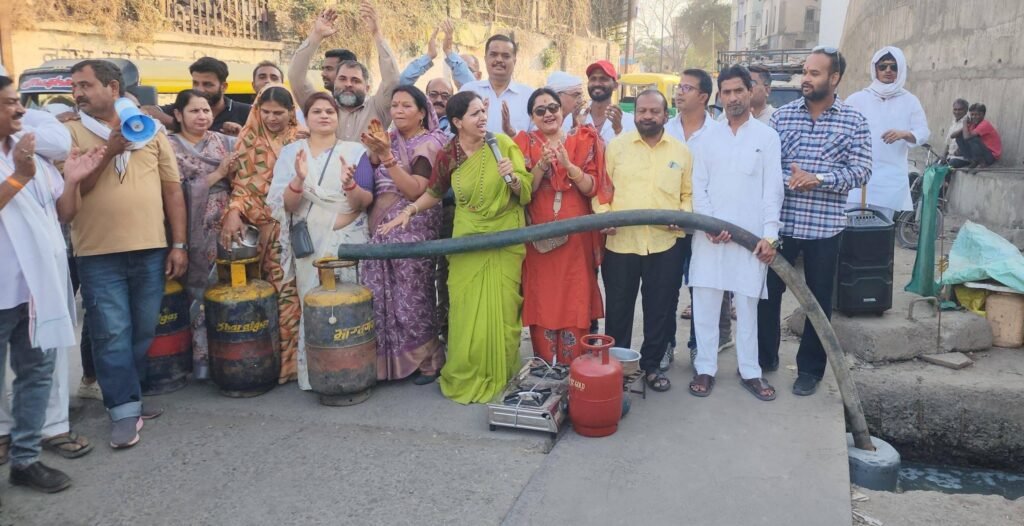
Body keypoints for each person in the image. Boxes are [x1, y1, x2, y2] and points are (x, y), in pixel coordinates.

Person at [378, 91, 532, 404]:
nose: (482, 119)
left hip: (502, 237)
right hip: (466, 238)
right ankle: (467, 370)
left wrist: (513, 179)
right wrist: (410, 210)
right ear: (458, 122)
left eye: (482, 112)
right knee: (463, 308)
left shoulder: (502, 145)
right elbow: (435, 192)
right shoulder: (450, 153)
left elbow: (525, 191)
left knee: (501, 310)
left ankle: (500, 373)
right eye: (474, 114)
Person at [65, 59, 188, 448]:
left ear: (113, 88)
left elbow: (172, 190)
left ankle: (128, 397)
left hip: (150, 248)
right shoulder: (67, 133)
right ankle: (121, 410)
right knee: (111, 333)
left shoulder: (151, 133)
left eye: (85, 85)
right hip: (98, 254)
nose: (78, 93)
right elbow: (74, 195)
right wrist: (109, 150)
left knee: (143, 329)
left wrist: (179, 244)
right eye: (75, 87)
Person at [0, 72, 105, 493]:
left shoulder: (33, 155)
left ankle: (25, 460)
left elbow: (63, 214)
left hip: (36, 292)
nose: (20, 109)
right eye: (9, 103)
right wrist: (18, 176)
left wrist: (75, 180)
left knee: (36, 376)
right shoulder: (25, 162)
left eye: (17, 101)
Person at [760, 47, 872, 396]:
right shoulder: (782, 117)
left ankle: (809, 370)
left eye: (814, 73)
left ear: (834, 78)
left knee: (817, 302)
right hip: (782, 226)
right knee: (767, 295)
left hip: (824, 229)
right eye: (805, 72)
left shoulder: (854, 121)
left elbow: (862, 170)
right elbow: (767, 166)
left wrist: (818, 178)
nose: (805, 79)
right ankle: (765, 360)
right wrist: (791, 178)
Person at [688, 66, 783, 401]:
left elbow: (773, 191)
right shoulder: (706, 137)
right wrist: (709, 225)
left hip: (750, 238)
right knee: (706, 304)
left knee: (747, 306)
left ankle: (750, 371)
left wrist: (770, 236)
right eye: (725, 92)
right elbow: (699, 187)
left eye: (738, 91)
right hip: (710, 237)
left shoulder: (767, 138)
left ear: (750, 91)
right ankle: (705, 368)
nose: (732, 98)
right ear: (720, 96)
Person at [268, 91, 373, 390]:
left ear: (338, 118)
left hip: (346, 238)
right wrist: (299, 180)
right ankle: (316, 375)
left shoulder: (354, 152)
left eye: (330, 111)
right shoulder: (291, 154)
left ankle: (353, 370)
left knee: (347, 300)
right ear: (306, 117)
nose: (325, 116)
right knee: (313, 303)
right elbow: (285, 205)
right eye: (317, 111)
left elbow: (363, 201)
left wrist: (349, 184)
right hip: (309, 242)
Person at [596, 90, 693, 393]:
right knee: (619, 311)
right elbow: (602, 190)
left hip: (665, 244)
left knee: (659, 310)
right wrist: (604, 216)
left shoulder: (681, 152)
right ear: (633, 114)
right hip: (621, 243)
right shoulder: (616, 147)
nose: (647, 116)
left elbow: (687, 196)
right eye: (642, 111)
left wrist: (683, 215)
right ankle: (617, 370)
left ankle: (651, 367)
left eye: (654, 111)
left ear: (666, 115)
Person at [514, 88, 612, 365]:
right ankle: (545, 364)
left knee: (575, 293)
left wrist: (569, 166)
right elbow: (523, 193)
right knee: (542, 295)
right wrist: (542, 167)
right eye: (540, 110)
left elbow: (593, 188)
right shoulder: (523, 143)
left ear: (562, 110)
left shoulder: (583, 139)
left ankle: (573, 365)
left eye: (553, 107)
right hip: (538, 236)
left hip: (576, 233)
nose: (548, 114)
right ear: (532, 116)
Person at [359, 86, 449, 383]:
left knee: (413, 296)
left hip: (415, 226)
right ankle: (391, 365)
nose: (397, 110)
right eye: (394, 105)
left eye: (406, 106)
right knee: (382, 294)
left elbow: (415, 190)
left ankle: (428, 359)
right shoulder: (388, 139)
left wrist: (386, 157)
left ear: (422, 112)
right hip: (381, 227)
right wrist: (375, 154)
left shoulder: (431, 144)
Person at [221, 86, 301, 384]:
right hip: (264, 230)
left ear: (290, 112)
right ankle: (270, 363)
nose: (271, 118)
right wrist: (233, 212)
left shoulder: (300, 138)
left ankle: (294, 364)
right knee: (271, 297)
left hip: (297, 226)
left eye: (278, 113)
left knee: (293, 297)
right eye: (265, 112)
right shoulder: (248, 139)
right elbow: (242, 186)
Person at [166, 90, 238, 380]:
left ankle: (231, 353)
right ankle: (202, 360)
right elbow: (174, 191)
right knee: (198, 291)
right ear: (178, 114)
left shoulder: (223, 141)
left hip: (226, 221)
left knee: (230, 287)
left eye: (206, 110)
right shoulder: (170, 147)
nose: (202, 116)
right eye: (194, 111)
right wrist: (219, 173)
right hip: (191, 223)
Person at [665, 68, 730, 370]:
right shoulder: (665, 130)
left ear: (704, 97)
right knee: (664, 290)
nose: (679, 92)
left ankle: (698, 348)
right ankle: (665, 346)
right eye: (679, 87)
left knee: (702, 292)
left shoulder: (719, 134)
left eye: (687, 88)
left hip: (703, 228)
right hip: (668, 225)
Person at [287, 4, 400, 141]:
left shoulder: (377, 108)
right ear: (335, 84)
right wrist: (316, 36)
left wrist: (377, 34)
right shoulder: (320, 107)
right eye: (342, 79)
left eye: (355, 80)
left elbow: (392, 80)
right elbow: (295, 76)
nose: (348, 84)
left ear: (367, 87)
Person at [845, 46, 929, 220]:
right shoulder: (857, 99)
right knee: (850, 232)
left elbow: (923, 132)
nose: (888, 71)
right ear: (875, 69)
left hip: (889, 180)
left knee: (880, 232)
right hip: (858, 177)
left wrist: (905, 134)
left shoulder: (910, 101)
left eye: (893, 67)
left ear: (901, 69)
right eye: (882, 66)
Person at [144, 57, 252, 136]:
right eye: (195, 83)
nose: (199, 89)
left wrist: (240, 135)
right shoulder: (183, 108)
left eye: (207, 84)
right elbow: (146, 110)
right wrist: (180, 124)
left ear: (223, 87)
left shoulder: (247, 112)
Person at [460, 35, 533, 136]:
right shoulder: (468, 91)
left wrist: (513, 132)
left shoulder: (529, 96)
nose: (499, 60)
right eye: (493, 54)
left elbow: (536, 138)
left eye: (506, 56)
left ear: (514, 61)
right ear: (485, 59)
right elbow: (453, 131)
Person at [398, 21, 475, 90]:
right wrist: (429, 56)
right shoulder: (423, 106)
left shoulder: (459, 105)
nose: (439, 99)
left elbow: (472, 88)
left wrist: (449, 52)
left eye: (445, 95)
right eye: (433, 94)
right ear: (427, 96)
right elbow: (399, 86)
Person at [580, 60, 634, 144]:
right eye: (593, 79)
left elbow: (632, 154)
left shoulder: (629, 122)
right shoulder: (575, 118)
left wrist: (619, 130)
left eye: (603, 79)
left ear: (615, 86)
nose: (597, 83)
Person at [950, 103, 1001, 168]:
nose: (974, 117)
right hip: (982, 153)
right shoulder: (973, 124)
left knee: (972, 138)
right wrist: (965, 126)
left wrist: (965, 123)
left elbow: (967, 137)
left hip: (990, 156)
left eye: (976, 115)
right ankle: (973, 161)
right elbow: (953, 136)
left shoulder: (984, 124)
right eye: (972, 115)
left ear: (982, 115)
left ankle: (982, 163)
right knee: (959, 137)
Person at [944, 98, 968, 164]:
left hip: (961, 158)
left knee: (945, 169)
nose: (957, 112)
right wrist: (943, 156)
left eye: (960, 110)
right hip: (950, 157)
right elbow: (948, 143)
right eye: (955, 109)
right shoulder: (953, 122)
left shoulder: (967, 122)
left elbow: (968, 141)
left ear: (966, 111)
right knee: (933, 167)